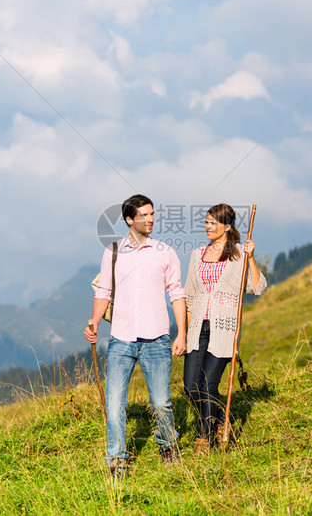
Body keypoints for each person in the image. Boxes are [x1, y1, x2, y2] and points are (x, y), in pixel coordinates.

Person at [84, 194, 187, 479]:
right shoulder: (113, 252)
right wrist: (93, 323)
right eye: (143, 215)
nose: (150, 219)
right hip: (121, 339)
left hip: (157, 340)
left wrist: (182, 334)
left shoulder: (165, 252)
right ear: (130, 219)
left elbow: (176, 293)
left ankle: (168, 446)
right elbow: (103, 291)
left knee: (160, 402)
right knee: (115, 403)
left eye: (152, 214)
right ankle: (116, 461)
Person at [182, 203, 266, 453]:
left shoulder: (239, 253)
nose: (207, 227)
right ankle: (219, 420)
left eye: (213, 223)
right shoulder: (198, 254)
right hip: (197, 328)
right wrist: (185, 334)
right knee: (190, 386)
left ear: (227, 227)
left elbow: (257, 287)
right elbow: (190, 295)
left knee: (208, 385)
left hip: (223, 329)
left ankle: (203, 438)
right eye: (206, 222)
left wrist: (251, 259)